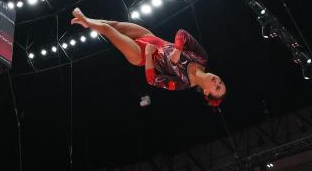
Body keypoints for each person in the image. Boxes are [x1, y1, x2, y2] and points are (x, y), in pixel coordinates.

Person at [71, 8, 226, 106]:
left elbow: (153, 80)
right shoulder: (201, 58)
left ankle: (86, 21)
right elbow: (182, 33)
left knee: (106, 29)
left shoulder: (182, 83)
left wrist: (148, 55)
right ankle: (87, 22)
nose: (217, 81)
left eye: (217, 87)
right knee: (114, 24)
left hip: (140, 55)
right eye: (221, 81)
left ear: (206, 92)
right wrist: (178, 50)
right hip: (149, 37)